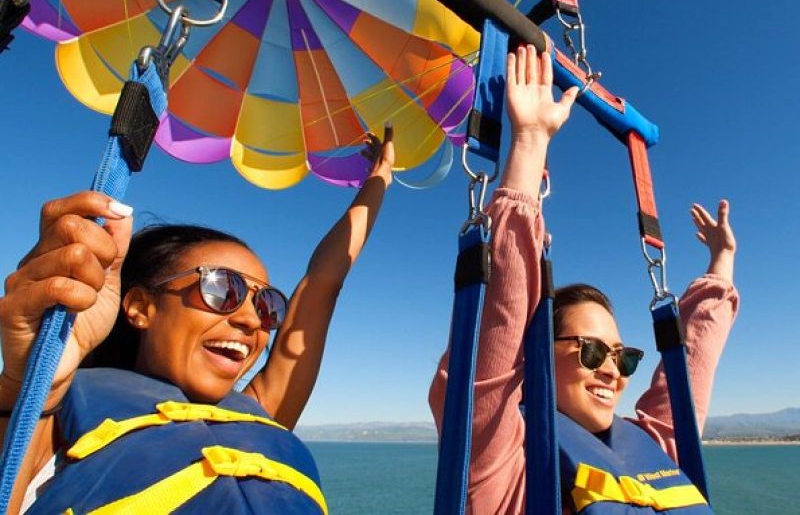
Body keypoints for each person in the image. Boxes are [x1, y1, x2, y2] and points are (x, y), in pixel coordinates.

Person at [0, 127, 395, 514]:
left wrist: (379, 180)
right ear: (140, 307)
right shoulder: (51, 414)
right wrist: (31, 382)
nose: (251, 320)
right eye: (223, 288)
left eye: (267, 305)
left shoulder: (263, 409)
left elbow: (322, 286)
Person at [429, 45, 739, 513]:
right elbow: (499, 327)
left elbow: (692, 365)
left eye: (623, 358)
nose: (612, 372)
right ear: (535, 358)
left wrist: (721, 264)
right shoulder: (508, 474)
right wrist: (530, 145)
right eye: (591, 351)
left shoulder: (655, 447)